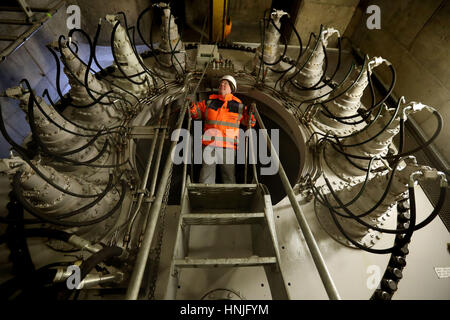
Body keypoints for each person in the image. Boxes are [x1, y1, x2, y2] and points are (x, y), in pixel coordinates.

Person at [189, 75, 256, 184]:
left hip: (228, 146)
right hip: (209, 145)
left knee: (228, 176)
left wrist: (250, 113)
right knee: (206, 175)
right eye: (221, 83)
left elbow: (250, 123)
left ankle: (231, 199)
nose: (222, 85)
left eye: (225, 83)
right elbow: (196, 114)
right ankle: (205, 198)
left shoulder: (239, 107)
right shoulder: (209, 103)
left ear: (232, 88)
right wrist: (192, 106)